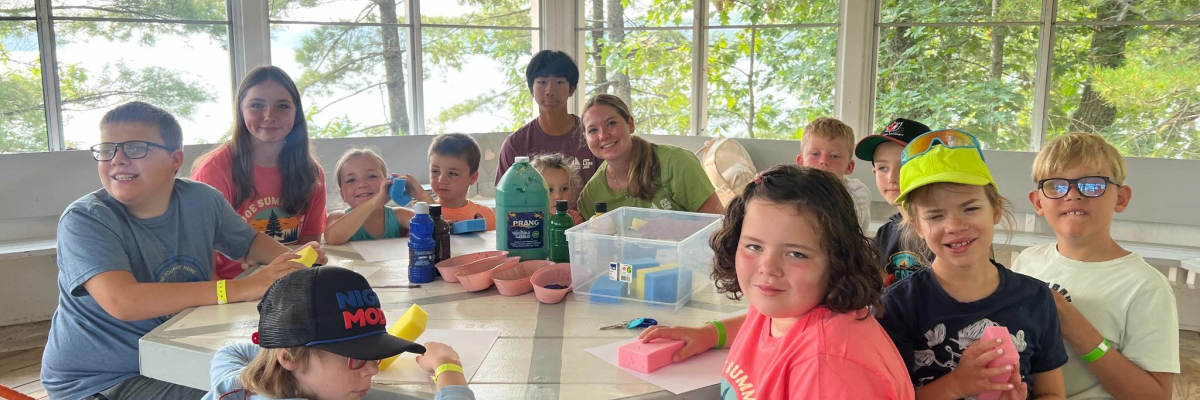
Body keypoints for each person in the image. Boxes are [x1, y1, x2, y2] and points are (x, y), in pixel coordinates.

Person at [41, 101, 323, 400]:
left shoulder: (201, 200)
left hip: (177, 356)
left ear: (175, 159)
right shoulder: (86, 218)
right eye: (107, 149)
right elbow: (123, 301)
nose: (117, 159)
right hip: (102, 382)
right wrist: (243, 287)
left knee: (298, 376)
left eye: (135, 148)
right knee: (270, 391)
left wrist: (294, 262)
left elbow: (250, 243)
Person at [639, 165, 914, 399]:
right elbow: (757, 324)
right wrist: (709, 335)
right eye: (754, 247)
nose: (768, 268)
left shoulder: (827, 366)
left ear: (837, 258)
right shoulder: (783, 304)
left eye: (796, 253)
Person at [878, 129, 1067, 400]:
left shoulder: (1036, 298)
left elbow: (1052, 393)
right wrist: (957, 384)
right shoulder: (898, 305)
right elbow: (891, 395)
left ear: (996, 210)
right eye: (935, 215)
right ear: (917, 226)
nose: (955, 226)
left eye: (970, 208)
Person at [1012, 133, 1177, 400]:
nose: (1073, 195)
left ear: (1121, 198)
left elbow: (1155, 395)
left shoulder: (1146, 286)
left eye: (1092, 185)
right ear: (1038, 202)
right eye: (1055, 186)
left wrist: (1074, 325)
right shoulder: (1027, 260)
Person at [202, 266, 474, 400]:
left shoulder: (243, 382)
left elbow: (231, 352)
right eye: (356, 357)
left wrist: (275, 351)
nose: (372, 370)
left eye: (375, 355)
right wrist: (448, 368)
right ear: (291, 360)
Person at [191, 65, 327, 279]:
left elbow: (309, 247)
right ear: (241, 110)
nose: (269, 115)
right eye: (256, 105)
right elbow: (203, 262)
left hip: (290, 282)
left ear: (296, 113)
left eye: (282, 106)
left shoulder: (312, 173)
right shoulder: (213, 172)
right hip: (234, 288)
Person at [577, 94, 723, 219]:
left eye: (611, 123)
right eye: (593, 130)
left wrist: (679, 227)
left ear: (631, 124)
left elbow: (719, 225)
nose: (603, 135)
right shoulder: (591, 195)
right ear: (585, 138)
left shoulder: (676, 163)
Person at [494, 50, 600, 212]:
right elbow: (506, 199)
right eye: (542, 82)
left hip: (586, 229)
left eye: (559, 82)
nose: (550, 90)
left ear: (572, 89)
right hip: (533, 230)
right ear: (531, 89)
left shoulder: (592, 135)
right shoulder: (516, 144)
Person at [854, 118, 933, 286]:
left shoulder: (949, 229)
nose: (892, 178)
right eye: (883, 168)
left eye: (904, 166)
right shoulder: (885, 235)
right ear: (874, 172)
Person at [324, 147, 416, 244]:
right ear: (343, 195)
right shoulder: (338, 217)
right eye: (351, 180)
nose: (362, 184)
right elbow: (332, 238)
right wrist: (372, 204)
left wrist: (422, 196)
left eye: (372, 176)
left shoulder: (400, 215)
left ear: (388, 183)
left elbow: (432, 227)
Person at [796, 117, 872, 232]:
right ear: (800, 163)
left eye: (835, 156)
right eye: (815, 154)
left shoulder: (856, 191)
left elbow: (844, 232)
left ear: (849, 166)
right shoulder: (793, 188)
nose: (824, 161)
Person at [409, 133, 496, 230]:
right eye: (435, 171)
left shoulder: (486, 215)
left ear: (473, 178)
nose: (441, 180)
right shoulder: (420, 215)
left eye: (452, 173)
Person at [531, 153, 584, 224]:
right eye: (550, 190)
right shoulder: (525, 221)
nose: (558, 196)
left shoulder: (574, 219)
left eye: (564, 189)